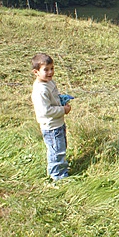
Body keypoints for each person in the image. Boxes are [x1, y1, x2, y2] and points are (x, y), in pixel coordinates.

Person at [31, 53, 71, 181]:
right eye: (46, 70)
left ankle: (61, 167)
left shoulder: (49, 82)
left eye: (52, 68)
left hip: (58, 123)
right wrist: (62, 110)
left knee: (61, 147)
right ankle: (57, 175)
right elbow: (46, 111)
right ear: (36, 72)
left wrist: (61, 100)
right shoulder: (40, 90)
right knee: (56, 150)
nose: (50, 72)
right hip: (51, 126)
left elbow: (53, 98)